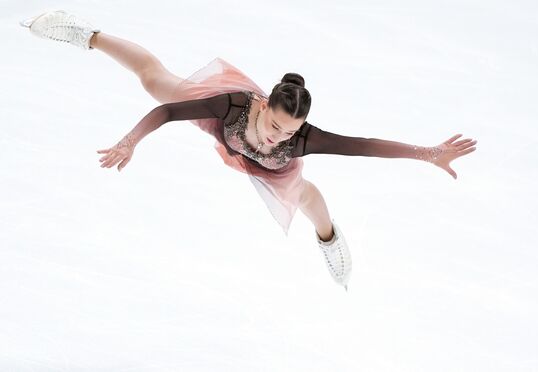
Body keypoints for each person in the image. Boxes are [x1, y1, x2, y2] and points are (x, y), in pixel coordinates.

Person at [20, 10, 477, 291]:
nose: (281, 135)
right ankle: (85, 33)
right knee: (155, 81)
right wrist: (131, 140)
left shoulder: (297, 142)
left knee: (305, 198)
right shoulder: (232, 103)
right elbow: (166, 113)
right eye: (277, 125)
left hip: (269, 171)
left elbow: (363, 146)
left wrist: (428, 153)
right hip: (227, 130)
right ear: (263, 104)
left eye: (289, 131)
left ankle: (330, 238)